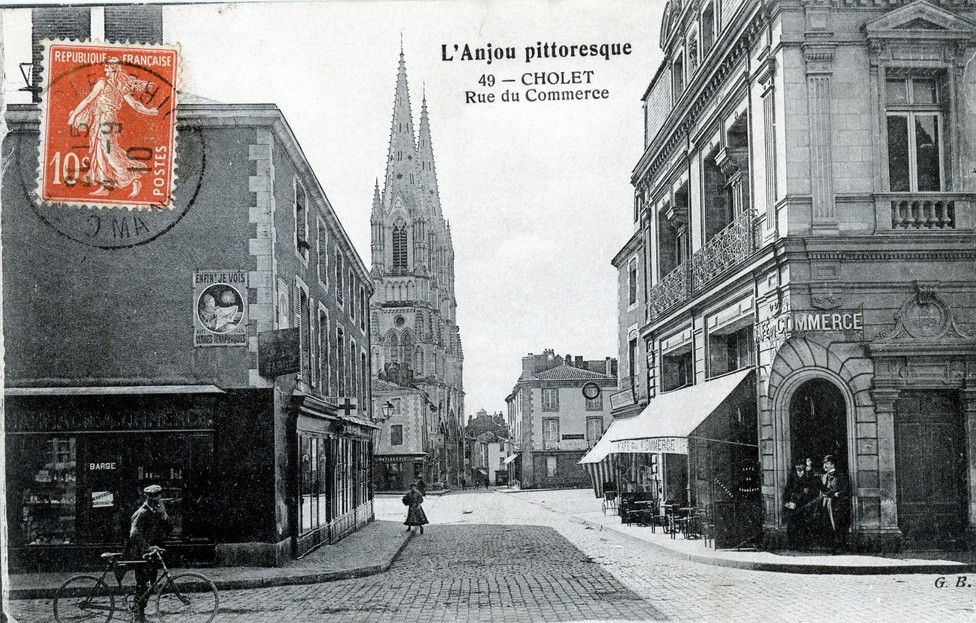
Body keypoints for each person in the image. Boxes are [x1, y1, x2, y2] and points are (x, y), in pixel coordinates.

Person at [66, 58, 159, 197]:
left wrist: (74, 116)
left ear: (112, 69)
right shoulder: (121, 86)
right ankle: (104, 186)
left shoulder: (104, 83)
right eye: (107, 68)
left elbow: (88, 100)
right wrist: (149, 111)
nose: (107, 70)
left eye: (109, 68)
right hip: (105, 120)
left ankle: (133, 179)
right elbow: (135, 105)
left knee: (110, 153)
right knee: (100, 152)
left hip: (106, 120)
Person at [125, 485, 172, 622]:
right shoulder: (142, 512)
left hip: (151, 555)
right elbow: (134, 533)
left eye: (158, 496)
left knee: (149, 583)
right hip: (141, 554)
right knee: (143, 584)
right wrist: (148, 547)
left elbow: (169, 529)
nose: (156, 499)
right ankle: (137, 615)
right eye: (153, 496)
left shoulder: (157, 512)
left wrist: (164, 516)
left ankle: (140, 613)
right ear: (147, 497)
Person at [782, 458, 818, 549]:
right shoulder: (792, 476)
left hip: (805, 504)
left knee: (804, 525)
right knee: (792, 524)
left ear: (804, 466)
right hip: (793, 504)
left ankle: (804, 545)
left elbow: (813, 487)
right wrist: (786, 502)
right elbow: (787, 489)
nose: (799, 467)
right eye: (797, 465)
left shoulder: (808, 475)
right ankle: (792, 545)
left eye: (801, 465)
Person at [820, 455, 850, 553]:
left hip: (837, 505)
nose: (825, 465)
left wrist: (836, 494)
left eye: (827, 463)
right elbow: (823, 490)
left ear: (832, 464)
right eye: (824, 463)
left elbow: (845, 490)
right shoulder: (824, 476)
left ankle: (840, 547)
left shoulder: (840, 475)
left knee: (837, 525)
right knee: (827, 525)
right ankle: (832, 546)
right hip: (826, 504)